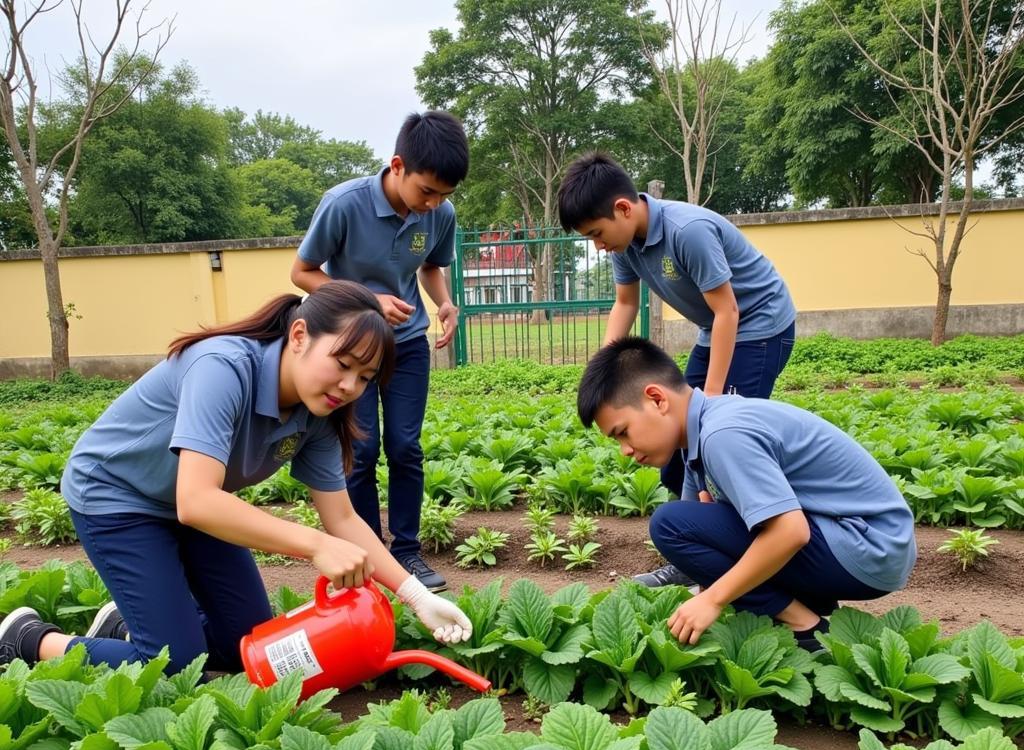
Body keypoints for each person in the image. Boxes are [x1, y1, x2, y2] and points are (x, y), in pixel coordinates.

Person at [0, 282, 471, 674]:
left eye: (366, 377)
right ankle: (29, 639)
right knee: (175, 664)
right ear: (301, 335)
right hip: (117, 497)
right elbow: (196, 501)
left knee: (247, 644)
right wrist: (314, 545)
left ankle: (132, 627)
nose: (350, 386)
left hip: (195, 505)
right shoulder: (223, 367)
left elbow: (343, 519)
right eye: (343, 364)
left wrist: (415, 595)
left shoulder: (321, 414)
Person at [576, 337, 916, 650]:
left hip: (869, 548)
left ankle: (805, 626)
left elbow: (790, 531)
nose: (624, 450)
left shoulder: (723, 434)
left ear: (656, 399)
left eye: (623, 432)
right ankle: (802, 604)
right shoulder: (701, 428)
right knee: (691, 520)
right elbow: (708, 528)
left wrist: (713, 601)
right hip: (856, 543)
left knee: (669, 524)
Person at [558, 152, 797, 587]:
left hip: (759, 324)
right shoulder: (626, 243)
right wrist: (605, 374)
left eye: (596, 233)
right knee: (680, 438)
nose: (597, 245)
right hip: (715, 327)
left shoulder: (688, 231)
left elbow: (728, 310)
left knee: (712, 439)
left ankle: (729, 559)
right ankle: (692, 552)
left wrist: (713, 400)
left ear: (623, 209)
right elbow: (625, 304)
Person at [291, 111, 470, 593]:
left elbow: (431, 267)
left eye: (443, 196)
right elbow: (303, 272)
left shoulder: (440, 215)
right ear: (397, 166)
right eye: (426, 191)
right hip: (353, 347)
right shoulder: (343, 204)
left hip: (408, 342)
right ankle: (366, 553)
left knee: (406, 447)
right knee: (362, 449)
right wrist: (368, 300)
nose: (432, 205)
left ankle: (407, 552)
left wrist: (445, 302)